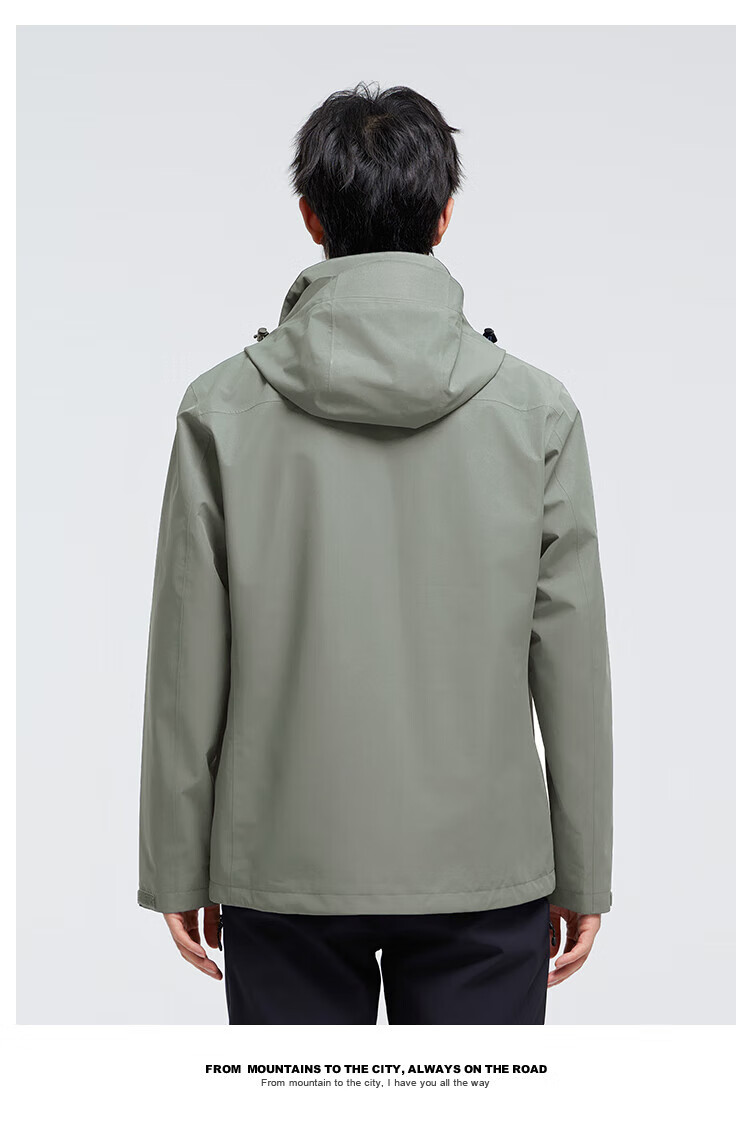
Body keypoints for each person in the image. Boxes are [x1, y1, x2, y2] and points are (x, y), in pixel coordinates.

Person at [137, 83, 613, 1025]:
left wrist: (177, 863)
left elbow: (187, 659)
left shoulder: (222, 408)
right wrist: (584, 865)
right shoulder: (536, 413)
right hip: (485, 869)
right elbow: (571, 660)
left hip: (282, 865)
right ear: (444, 215)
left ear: (311, 216)